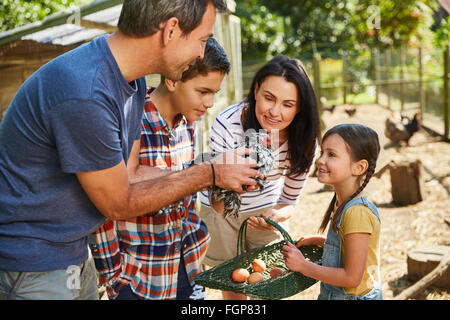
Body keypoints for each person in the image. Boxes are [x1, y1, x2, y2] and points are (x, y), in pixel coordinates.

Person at [0, 0, 261, 300]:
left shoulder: (130, 81)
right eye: (202, 40)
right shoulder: (87, 92)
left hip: (71, 252)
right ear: (171, 30)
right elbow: (118, 202)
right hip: (33, 264)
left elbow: (130, 173)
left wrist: (212, 172)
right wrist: (207, 173)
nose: (202, 53)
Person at [92, 37, 230, 300]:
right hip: (139, 280)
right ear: (172, 80)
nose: (210, 102)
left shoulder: (190, 122)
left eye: (214, 93)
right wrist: (115, 278)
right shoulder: (130, 121)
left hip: (188, 269)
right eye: (203, 91)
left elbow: (188, 191)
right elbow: (104, 207)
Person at [199, 55, 320, 300]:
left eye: (288, 104)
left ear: (300, 107)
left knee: (269, 283)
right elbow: (218, 203)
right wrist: (229, 177)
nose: (275, 112)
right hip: (222, 212)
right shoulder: (228, 124)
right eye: (269, 98)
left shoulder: (305, 142)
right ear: (256, 90)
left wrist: (275, 215)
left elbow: (289, 201)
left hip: (265, 211)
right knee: (233, 282)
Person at [282, 123, 383, 300]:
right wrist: (321, 241)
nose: (320, 160)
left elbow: (352, 278)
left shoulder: (357, 212)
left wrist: (303, 266)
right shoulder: (342, 202)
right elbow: (348, 247)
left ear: (358, 167)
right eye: (322, 152)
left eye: (331, 154)